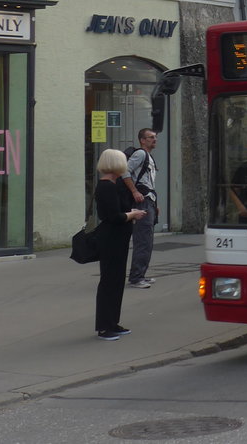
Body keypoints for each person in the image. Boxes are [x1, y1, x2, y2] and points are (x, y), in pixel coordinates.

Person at [94, 149, 145, 341]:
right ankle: (104, 327)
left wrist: (129, 212)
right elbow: (112, 216)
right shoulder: (106, 186)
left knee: (116, 282)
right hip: (111, 239)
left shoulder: (113, 185)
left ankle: (113, 322)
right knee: (109, 282)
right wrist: (132, 215)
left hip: (118, 238)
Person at [123, 128, 158, 289]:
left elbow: (149, 182)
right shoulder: (141, 154)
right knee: (143, 240)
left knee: (147, 240)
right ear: (142, 140)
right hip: (142, 201)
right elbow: (124, 172)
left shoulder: (148, 156)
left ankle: (140, 275)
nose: (154, 140)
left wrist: (155, 204)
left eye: (155, 137)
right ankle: (136, 278)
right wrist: (135, 191)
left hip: (148, 200)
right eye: (151, 137)